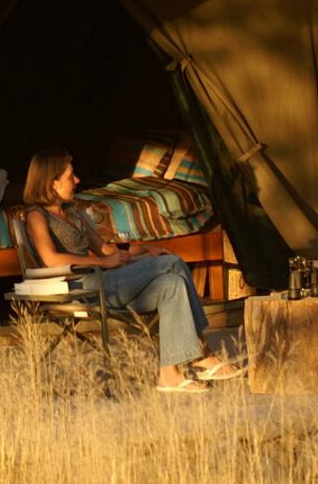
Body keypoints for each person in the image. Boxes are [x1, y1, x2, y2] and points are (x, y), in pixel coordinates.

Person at [23, 148, 241, 393]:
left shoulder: (74, 213)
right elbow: (51, 259)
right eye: (70, 176)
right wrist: (103, 264)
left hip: (103, 280)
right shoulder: (37, 216)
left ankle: (169, 375)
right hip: (77, 287)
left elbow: (106, 250)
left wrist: (146, 248)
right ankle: (203, 352)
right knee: (173, 264)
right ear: (52, 182)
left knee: (172, 284)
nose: (77, 180)